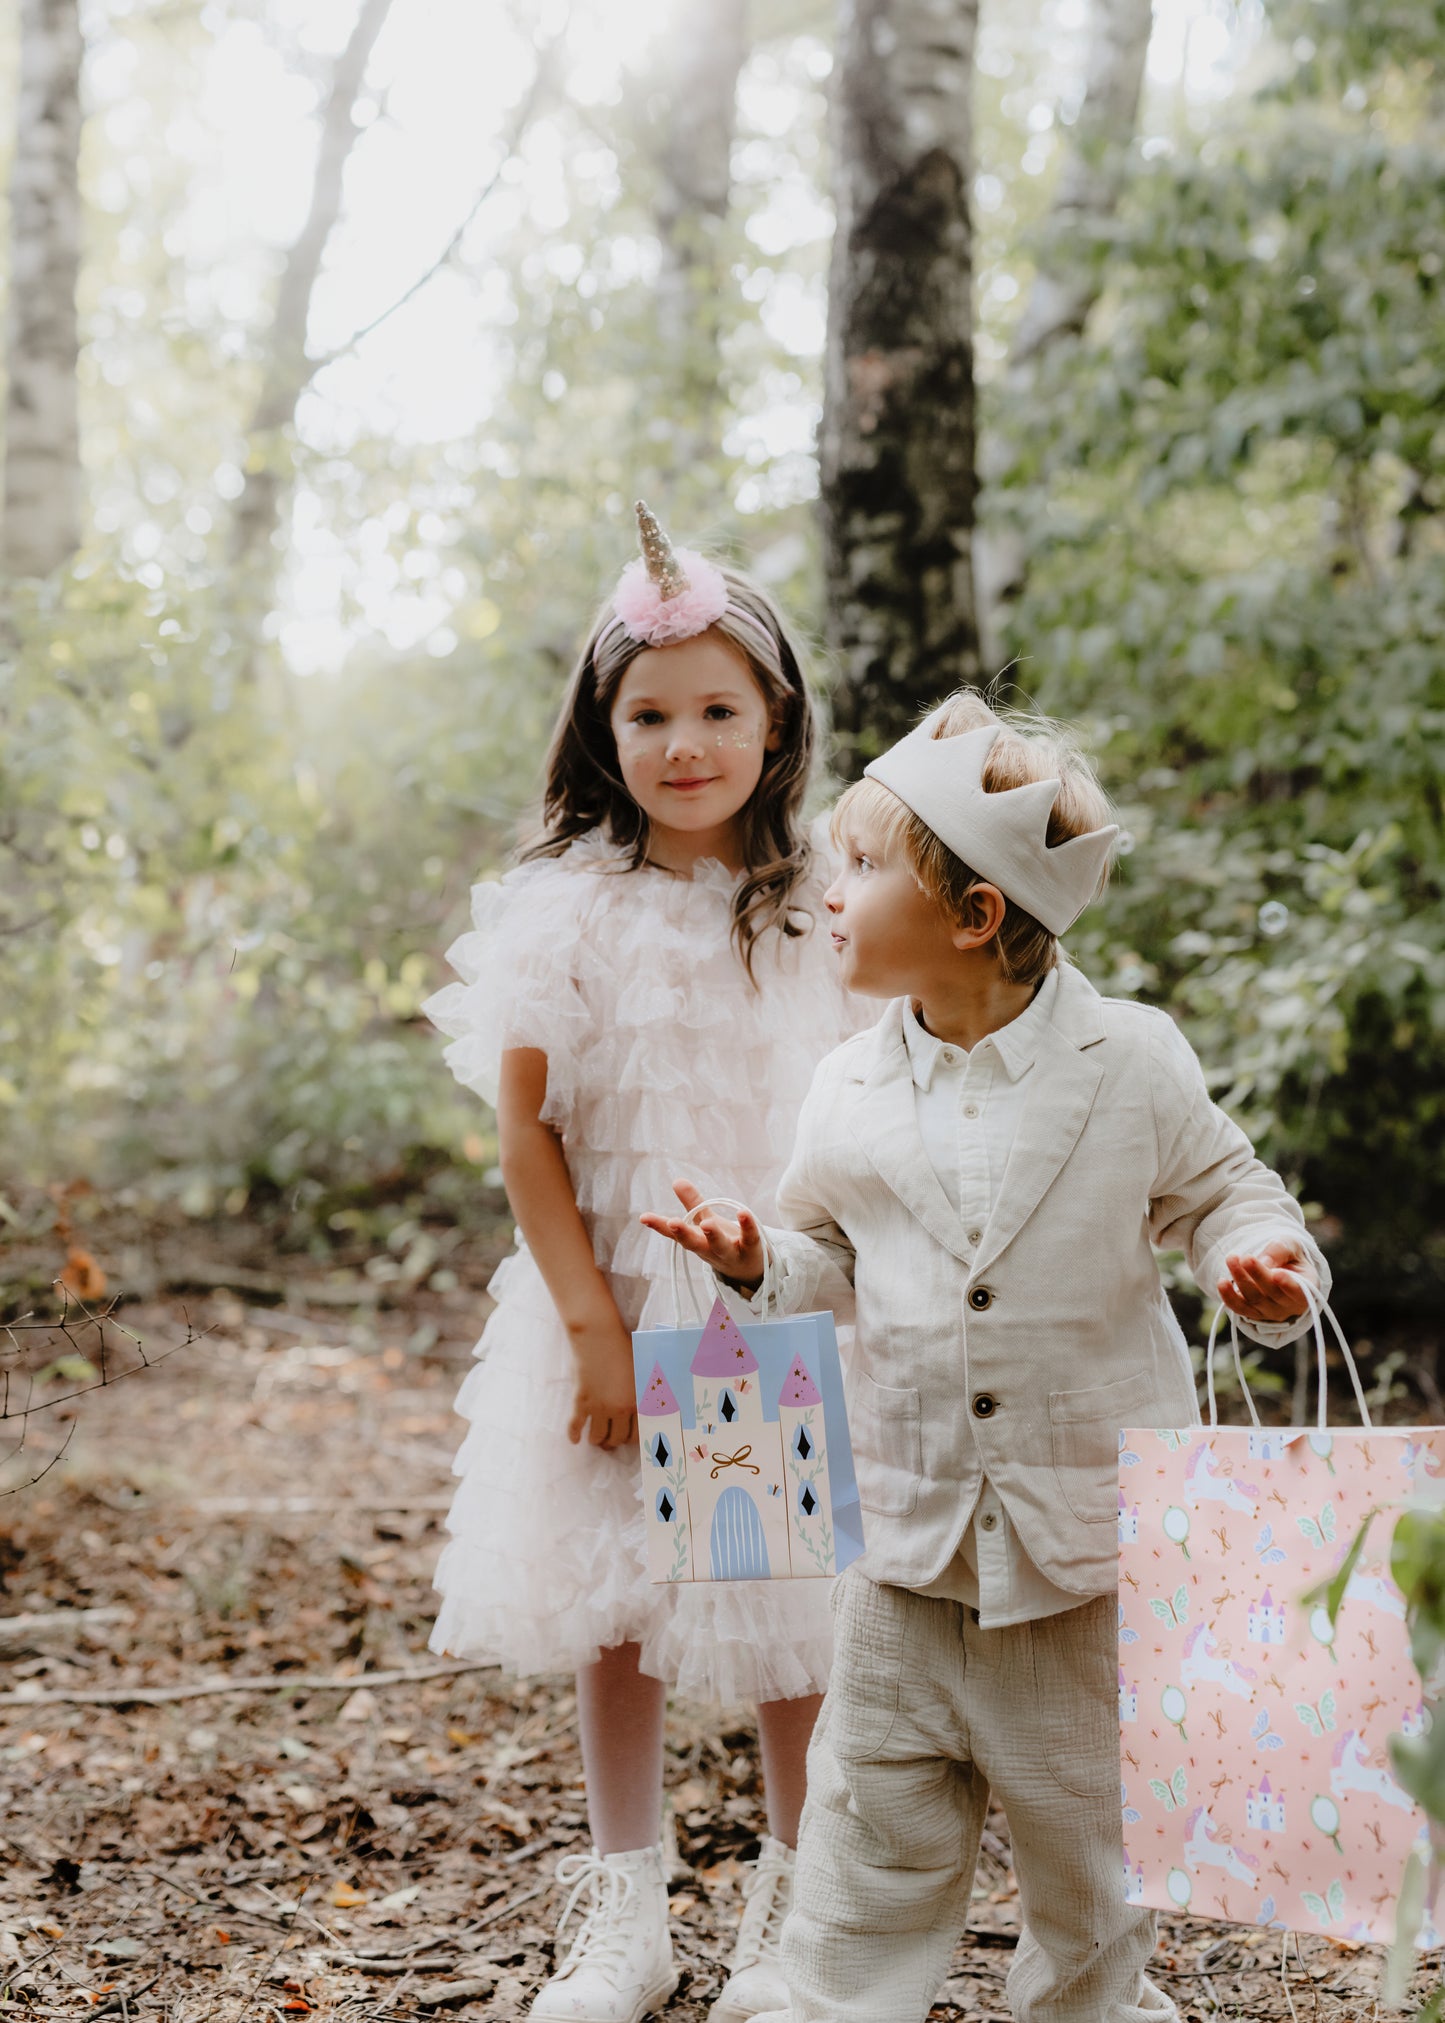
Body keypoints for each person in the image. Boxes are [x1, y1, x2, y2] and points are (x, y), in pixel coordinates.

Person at [644, 691, 1328, 2023]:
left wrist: (1263, 1267)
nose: (828, 891)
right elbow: (818, 1254)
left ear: (971, 917)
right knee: (868, 1811)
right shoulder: (846, 1083)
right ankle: (842, 1996)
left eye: (859, 864)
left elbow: (1227, 1196)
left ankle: (1086, 1999)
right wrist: (747, 1261)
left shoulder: (1129, 1062)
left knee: (1087, 1831)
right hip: (902, 1543)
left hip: (1076, 1548)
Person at [423, 504, 863, 2023]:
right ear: (602, 730)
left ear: (776, 721)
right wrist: (594, 1329)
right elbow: (530, 1136)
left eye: (718, 711)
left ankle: (797, 1919)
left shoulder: (824, 903)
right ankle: (626, 1916)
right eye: (650, 713)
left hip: (766, 1306)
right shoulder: (568, 905)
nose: (685, 743)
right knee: (621, 1610)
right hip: (610, 1304)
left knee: (783, 1613)